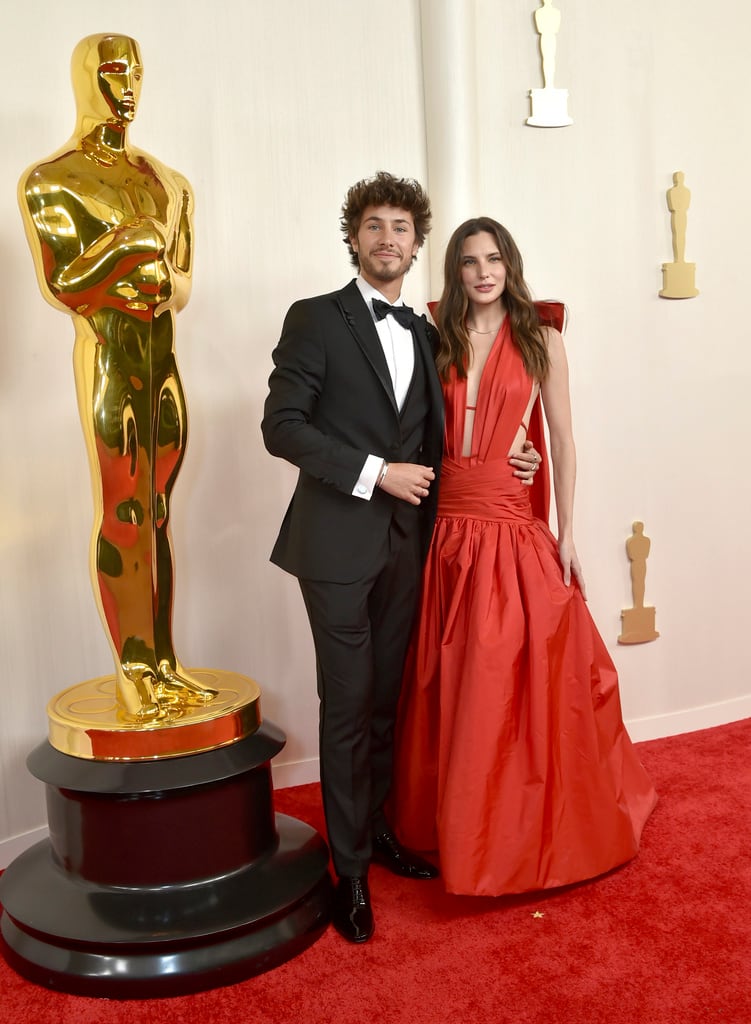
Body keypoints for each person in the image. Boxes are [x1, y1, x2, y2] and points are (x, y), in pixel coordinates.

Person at [262, 174, 543, 941]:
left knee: (388, 702)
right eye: (373, 226)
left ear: (418, 244)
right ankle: (348, 872)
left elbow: (444, 438)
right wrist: (371, 472)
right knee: (348, 705)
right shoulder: (315, 319)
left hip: (411, 547)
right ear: (353, 237)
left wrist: (512, 458)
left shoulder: (426, 333)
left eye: (401, 228)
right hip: (334, 545)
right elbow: (281, 426)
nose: (387, 239)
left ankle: (379, 833)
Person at [391, 217, 658, 897]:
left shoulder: (541, 338)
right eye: (468, 262)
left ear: (509, 265)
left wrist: (566, 530)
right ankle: (461, 827)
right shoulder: (433, 338)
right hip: (447, 528)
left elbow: (562, 441)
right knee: (453, 684)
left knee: (521, 675)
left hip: (511, 524)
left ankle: (521, 832)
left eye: (494, 259)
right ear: (453, 273)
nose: (482, 272)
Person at [19, 33, 217, 720]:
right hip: (108, 355)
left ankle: (164, 664)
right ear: (85, 80)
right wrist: (123, 248)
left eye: (135, 72)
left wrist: (155, 269)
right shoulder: (52, 179)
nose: (126, 85)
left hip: (163, 360)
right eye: (111, 72)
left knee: (158, 510)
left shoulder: (169, 182)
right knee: (124, 513)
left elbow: (182, 283)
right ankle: (133, 669)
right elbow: (62, 286)